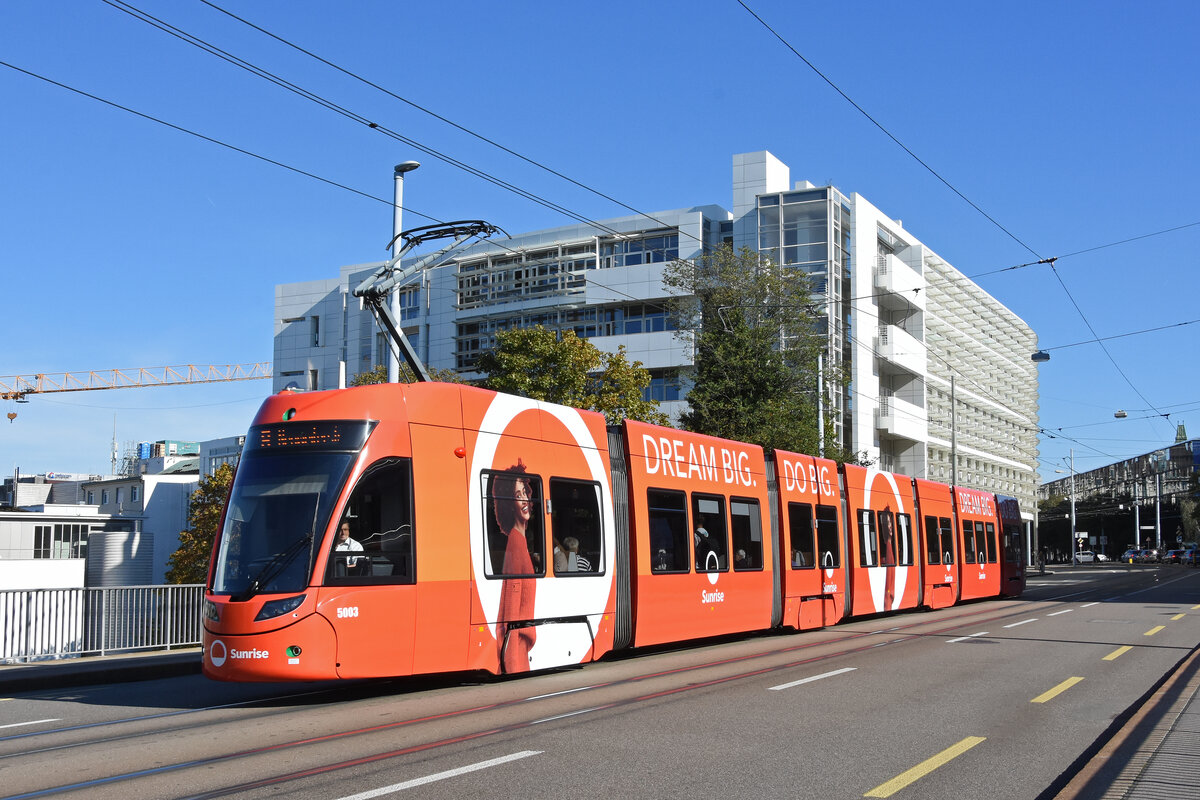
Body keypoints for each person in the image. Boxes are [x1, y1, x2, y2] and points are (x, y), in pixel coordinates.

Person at [494, 461, 537, 672]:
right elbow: (510, 616)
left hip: (520, 649)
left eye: (525, 493)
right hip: (517, 654)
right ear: (509, 505)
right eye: (517, 496)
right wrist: (511, 666)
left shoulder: (520, 540)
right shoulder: (516, 542)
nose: (525, 500)